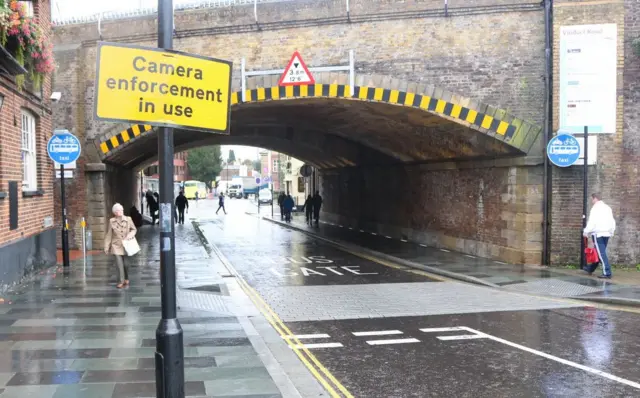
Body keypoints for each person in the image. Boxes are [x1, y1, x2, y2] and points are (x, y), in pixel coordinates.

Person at [583, 193, 616, 279]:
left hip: (598, 234)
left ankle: (607, 273)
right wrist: (612, 231)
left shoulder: (595, 208)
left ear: (595, 199)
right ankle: (590, 268)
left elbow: (592, 221)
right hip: (606, 234)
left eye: (592, 199)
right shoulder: (607, 208)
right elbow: (612, 221)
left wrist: (586, 231)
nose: (592, 201)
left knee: (601, 254)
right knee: (599, 252)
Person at [104, 203, 137, 289]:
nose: (121, 211)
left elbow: (134, 229)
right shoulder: (111, 221)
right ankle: (120, 281)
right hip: (116, 245)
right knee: (119, 264)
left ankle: (126, 278)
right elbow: (109, 235)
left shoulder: (128, 219)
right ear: (115, 212)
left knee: (126, 264)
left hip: (126, 245)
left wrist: (130, 235)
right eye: (119, 210)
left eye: (122, 209)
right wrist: (106, 247)